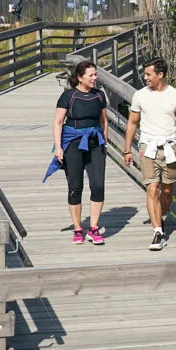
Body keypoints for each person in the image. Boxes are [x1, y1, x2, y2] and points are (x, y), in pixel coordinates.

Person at [124, 57, 176, 251]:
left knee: (167, 191)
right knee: (152, 188)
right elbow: (132, 123)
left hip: (169, 146)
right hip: (148, 146)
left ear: (160, 75)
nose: (145, 78)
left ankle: (159, 216)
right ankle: (158, 232)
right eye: (145, 74)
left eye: (148, 74)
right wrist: (127, 149)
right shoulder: (140, 95)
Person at [51, 61, 109, 245]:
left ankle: (93, 228)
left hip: (95, 143)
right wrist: (58, 148)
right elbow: (58, 122)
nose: (94, 78)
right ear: (80, 77)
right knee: (76, 187)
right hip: (73, 144)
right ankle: (78, 229)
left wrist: (104, 143)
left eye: (95, 75)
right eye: (91, 75)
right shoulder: (68, 96)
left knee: (98, 186)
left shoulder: (99, 96)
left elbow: (103, 121)